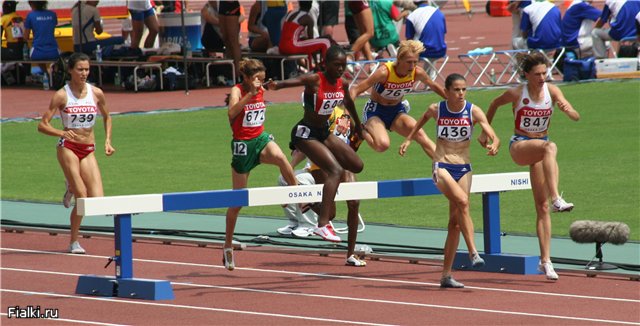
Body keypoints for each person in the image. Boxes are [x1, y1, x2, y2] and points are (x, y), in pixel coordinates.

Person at [478, 52, 581, 281]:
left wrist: (566, 109)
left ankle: (546, 261)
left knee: (541, 207)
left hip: (540, 152)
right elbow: (494, 104)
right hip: (520, 146)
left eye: (545, 73)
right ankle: (557, 198)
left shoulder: (552, 92)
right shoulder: (517, 93)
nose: (543, 78)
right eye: (537, 74)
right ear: (526, 75)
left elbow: (576, 116)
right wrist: (487, 133)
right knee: (550, 147)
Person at [399, 73, 499, 288]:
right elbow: (419, 122)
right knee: (463, 202)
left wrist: (494, 142)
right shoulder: (437, 109)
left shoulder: (472, 110)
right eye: (456, 89)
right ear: (447, 91)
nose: (461, 93)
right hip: (441, 165)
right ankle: (473, 252)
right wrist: (408, 140)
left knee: (454, 223)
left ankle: (445, 275)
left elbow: (490, 130)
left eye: (464, 89)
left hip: (464, 167)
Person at [267, 45, 364, 243]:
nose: (340, 69)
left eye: (343, 65)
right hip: (305, 133)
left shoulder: (342, 83)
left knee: (357, 165)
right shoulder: (315, 80)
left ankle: (317, 199)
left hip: (323, 132)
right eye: (336, 65)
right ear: (326, 64)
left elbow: (350, 103)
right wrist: (276, 85)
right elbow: (294, 81)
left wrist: (358, 127)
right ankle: (322, 224)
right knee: (335, 170)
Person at [223, 58, 298, 271]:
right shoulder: (237, 90)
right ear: (246, 78)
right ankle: (227, 245)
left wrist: (271, 86)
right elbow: (231, 114)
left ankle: (295, 197)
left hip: (260, 139)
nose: (260, 83)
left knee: (282, 158)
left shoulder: (261, 87)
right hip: (242, 147)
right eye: (256, 79)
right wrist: (250, 94)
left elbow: (270, 88)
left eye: (262, 80)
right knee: (238, 201)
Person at [37, 52, 115, 254]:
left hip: (88, 149)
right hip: (68, 147)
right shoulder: (62, 95)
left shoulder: (96, 93)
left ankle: (70, 186)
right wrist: (62, 132)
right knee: (82, 194)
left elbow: (107, 117)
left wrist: (107, 140)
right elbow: (42, 125)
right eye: (80, 69)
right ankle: (74, 241)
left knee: (96, 201)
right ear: (70, 70)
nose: (84, 73)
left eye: (87, 69)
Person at [278, 105, 367, 267]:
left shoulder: (344, 115)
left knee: (354, 203)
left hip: (343, 164)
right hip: (321, 166)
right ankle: (308, 202)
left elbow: (353, 140)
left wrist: (362, 135)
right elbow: (302, 150)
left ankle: (351, 254)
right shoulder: (319, 117)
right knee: (330, 214)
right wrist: (288, 171)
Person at [350, 40, 446, 159]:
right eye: (409, 62)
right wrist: (347, 113)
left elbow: (434, 86)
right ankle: (361, 131)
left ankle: (445, 166)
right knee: (382, 145)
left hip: (396, 112)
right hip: (376, 112)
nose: (412, 66)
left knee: (420, 134)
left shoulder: (417, 73)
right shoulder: (384, 72)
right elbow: (355, 90)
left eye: (415, 62)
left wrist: (452, 100)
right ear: (399, 60)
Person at [279, 1, 332, 68]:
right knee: (326, 42)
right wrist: (315, 60)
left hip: (282, 46)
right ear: (310, 6)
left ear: (299, 4)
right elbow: (311, 40)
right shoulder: (308, 18)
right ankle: (326, 68)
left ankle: (311, 67)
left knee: (305, 40)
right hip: (291, 46)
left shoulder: (290, 13)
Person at [405, 1, 447, 79]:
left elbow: (409, 39)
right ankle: (430, 80)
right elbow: (443, 32)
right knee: (430, 48)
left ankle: (405, 81)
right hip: (441, 50)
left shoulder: (411, 16)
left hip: (423, 52)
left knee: (404, 51)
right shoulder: (439, 12)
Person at [218, 1, 242, 78]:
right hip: (222, 4)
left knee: (233, 40)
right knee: (225, 38)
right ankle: (230, 68)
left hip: (231, 4)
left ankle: (238, 71)